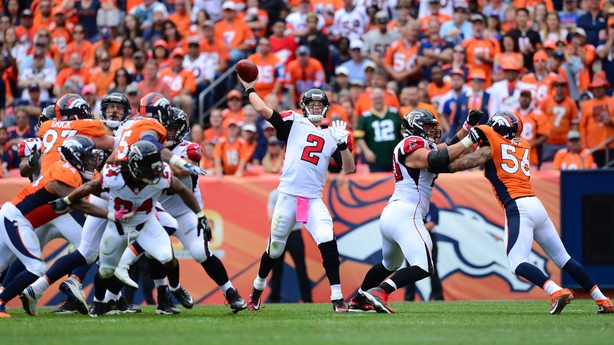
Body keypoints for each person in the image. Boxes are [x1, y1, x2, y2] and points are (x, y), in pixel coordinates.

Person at [445, 110, 613, 315]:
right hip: (536, 204)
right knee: (563, 258)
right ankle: (602, 299)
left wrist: (438, 164)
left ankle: (555, 291)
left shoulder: (491, 149)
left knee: (517, 263)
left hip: (517, 207)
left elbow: (456, 164)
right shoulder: (523, 145)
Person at [47, 140, 209, 317]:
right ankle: (99, 303)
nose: (154, 172)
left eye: (155, 167)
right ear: (135, 166)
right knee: (106, 270)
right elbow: (89, 186)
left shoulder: (161, 174)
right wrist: (66, 201)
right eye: (149, 168)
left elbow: (183, 190)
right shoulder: (114, 174)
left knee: (167, 257)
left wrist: (200, 215)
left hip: (147, 223)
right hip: (118, 226)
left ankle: (175, 287)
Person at [239, 73, 355, 312]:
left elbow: (349, 168)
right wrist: (250, 88)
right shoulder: (293, 122)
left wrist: (342, 145)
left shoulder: (333, 134)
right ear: (304, 106)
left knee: (327, 239)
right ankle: (256, 290)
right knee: (275, 249)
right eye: (312, 104)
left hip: (312, 199)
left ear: (325, 108)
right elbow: (263, 111)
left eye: (319, 105)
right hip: (288, 197)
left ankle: (337, 299)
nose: (315, 108)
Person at [113, 108, 247, 314]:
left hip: (185, 211)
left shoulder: (189, 149)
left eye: (173, 128)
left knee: (200, 252)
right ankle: (164, 298)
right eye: (166, 128)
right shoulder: (149, 146)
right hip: (156, 209)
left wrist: (157, 160)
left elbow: (181, 169)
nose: (169, 132)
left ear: (182, 129)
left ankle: (230, 293)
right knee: (154, 253)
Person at [349, 108, 483, 313]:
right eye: (428, 127)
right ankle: (380, 292)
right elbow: (437, 159)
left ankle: (358, 300)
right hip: (406, 213)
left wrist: (467, 127)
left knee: (388, 265)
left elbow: (447, 147)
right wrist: (470, 140)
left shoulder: (421, 145)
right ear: (414, 128)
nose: (432, 131)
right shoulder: (411, 144)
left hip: (394, 213)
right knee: (424, 266)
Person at [0, 136, 113, 318]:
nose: (92, 161)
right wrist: (112, 215)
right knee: (35, 267)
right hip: (16, 219)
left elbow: (102, 189)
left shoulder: (80, 173)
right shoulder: (64, 171)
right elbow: (79, 204)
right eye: (87, 157)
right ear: (75, 157)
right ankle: (1, 302)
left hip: (28, 221)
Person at [267, 189, 312, 304]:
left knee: (301, 267)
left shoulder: (299, 195)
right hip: (278, 233)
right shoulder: (274, 195)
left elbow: (301, 216)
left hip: (294, 233)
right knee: (276, 269)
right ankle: (274, 300)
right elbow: (270, 217)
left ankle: (307, 299)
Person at [354, 88, 403, 172]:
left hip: (395, 158)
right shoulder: (365, 116)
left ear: (384, 98)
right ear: (371, 100)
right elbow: (359, 136)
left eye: (380, 98)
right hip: (375, 159)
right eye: (375, 99)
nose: (378, 101)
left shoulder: (394, 113)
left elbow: (403, 134)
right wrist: (366, 151)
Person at [405, 202, 444, 301]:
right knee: (409, 270)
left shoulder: (431, 206)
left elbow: (432, 223)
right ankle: (409, 299)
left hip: (427, 238)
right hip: (411, 239)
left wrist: (415, 230)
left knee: (432, 269)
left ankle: (438, 297)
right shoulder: (409, 207)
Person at [539, 76, 579, 162]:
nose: (559, 88)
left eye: (562, 85)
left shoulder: (571, 103)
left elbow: (575, 123)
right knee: (547, 167)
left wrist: (572, 140)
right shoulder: (546, 101)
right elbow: (540, 121)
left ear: (565, 87)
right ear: (553, 87)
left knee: (565, 165)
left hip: (565, 142)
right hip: (548, 142)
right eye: (557, 85)